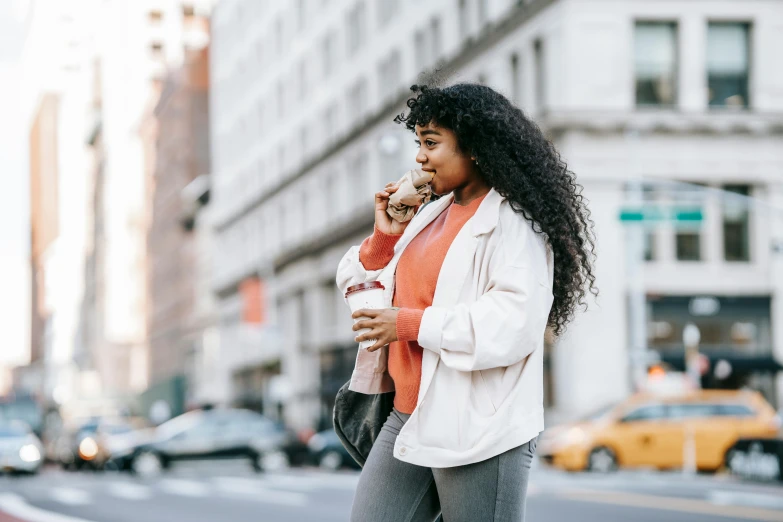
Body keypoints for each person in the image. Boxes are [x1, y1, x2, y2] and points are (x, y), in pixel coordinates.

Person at [336, 83, 597, 522]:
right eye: (418, 143)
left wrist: (410, 325)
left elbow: (513, 323)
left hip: (478, 427)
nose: (419, 157)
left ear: (473, 146)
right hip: (408, 414)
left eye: (431, 143)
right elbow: (369, 304)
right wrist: (386, 236)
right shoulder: (428, 215)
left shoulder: (514, 221)